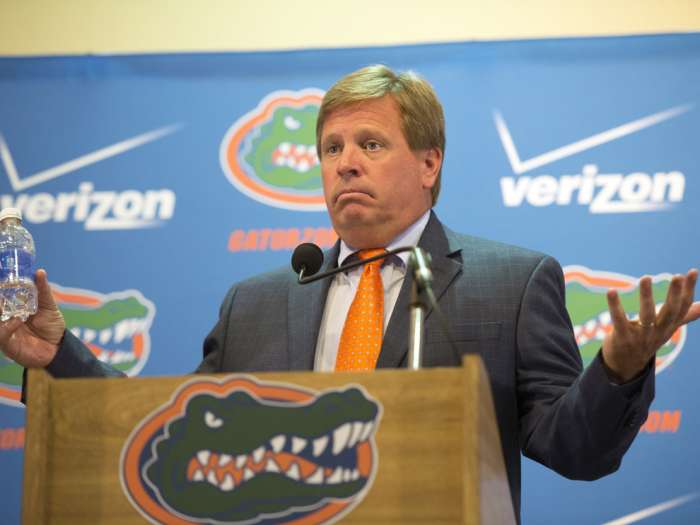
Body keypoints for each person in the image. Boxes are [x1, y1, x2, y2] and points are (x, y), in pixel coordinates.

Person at [1, 65, 698, 518]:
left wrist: (618, 369)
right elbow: (180, 435)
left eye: (371, 143)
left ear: (430, 163)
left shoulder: (510, 283)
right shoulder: (257, 300)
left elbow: (574, 450)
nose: (346, 164)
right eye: (332, 149)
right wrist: (59, 355)